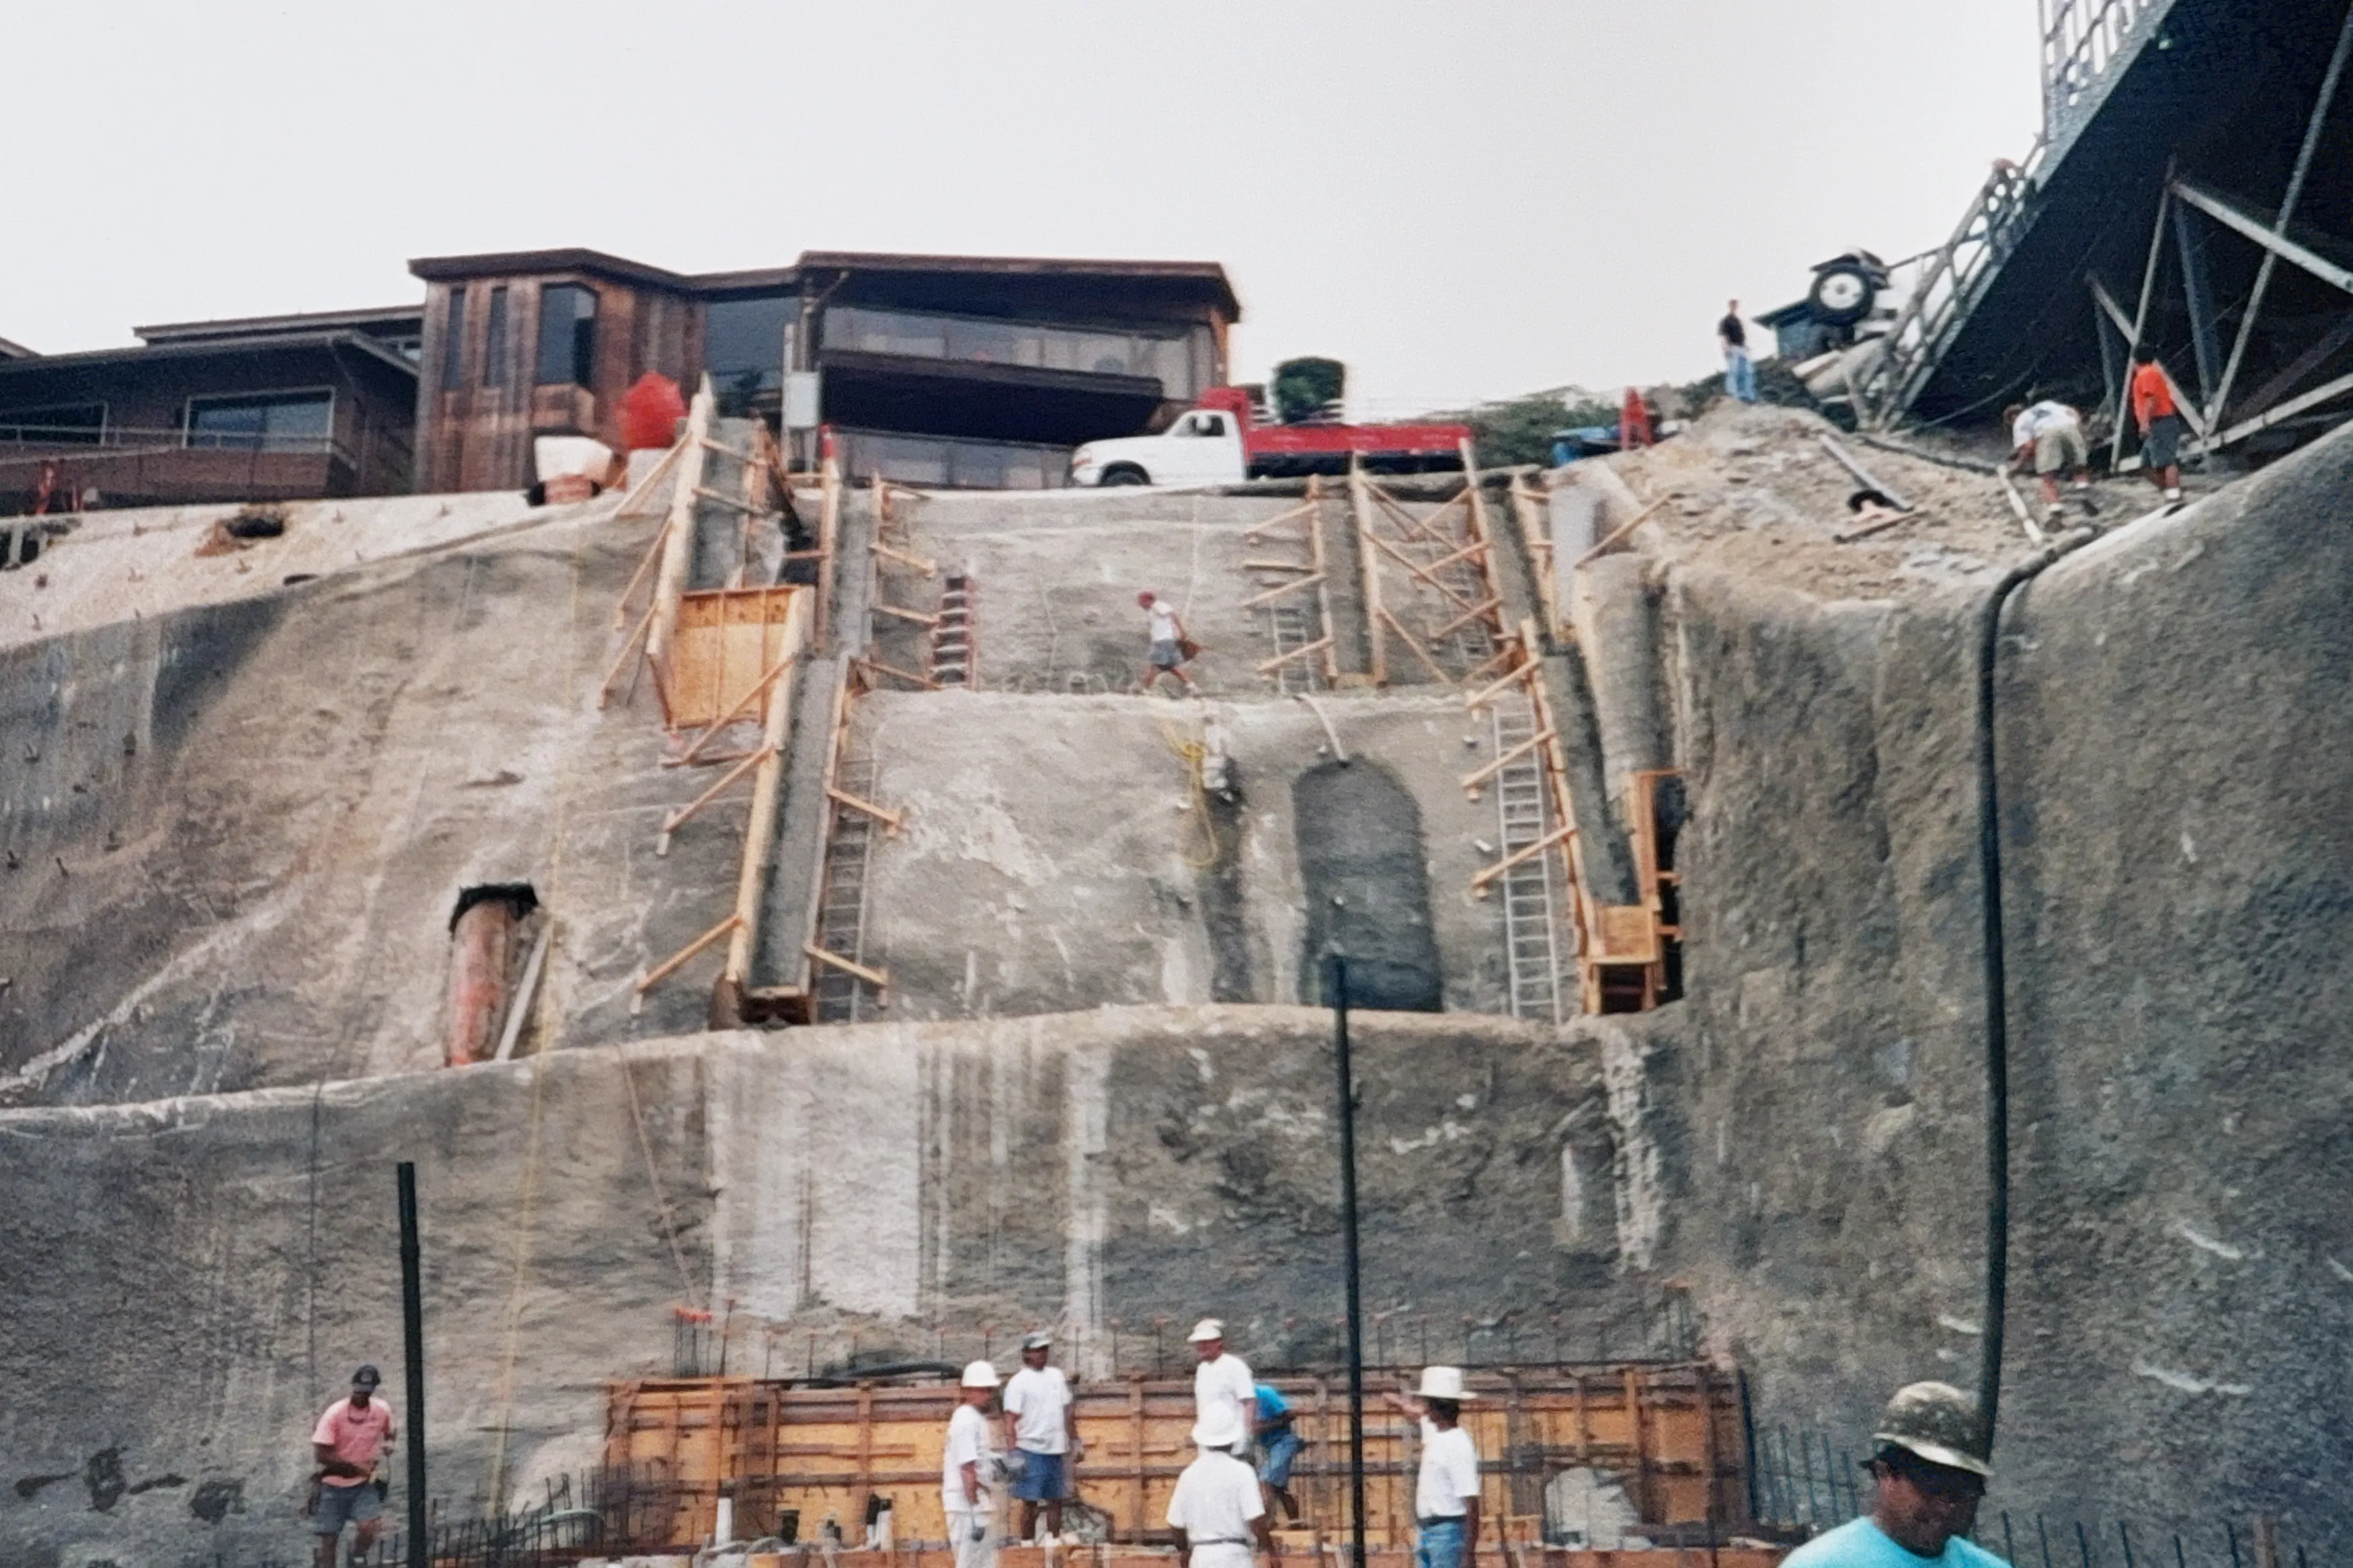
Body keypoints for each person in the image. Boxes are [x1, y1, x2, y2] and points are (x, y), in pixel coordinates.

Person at [1782, 1382, 2007, 1568]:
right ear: (1884, 1473)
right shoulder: (1820, 1564)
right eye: (1931, 1487)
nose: (1945, 1507)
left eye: (1962, 1493)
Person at [1381, 1367, 1481, 1568]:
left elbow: (1471, 1501)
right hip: (1429, 1531)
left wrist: (1468, 1553)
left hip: (1448, 1532)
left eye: (1428, 1403)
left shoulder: (1458, 1445)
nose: (1424, 1408)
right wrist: (1397, 1401)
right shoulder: (1435, 1431)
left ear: (1436, 1407)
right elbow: (1414, 1413)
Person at [309, 1364, 396, 1568]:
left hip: (363, 1484)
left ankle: (357, 1556)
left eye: (366, 1391)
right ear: (352, 1388)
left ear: (372, 1390)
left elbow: (391, 1429)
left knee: (369, 1527)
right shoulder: (335, 1414)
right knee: (329, 1538)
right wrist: (356, 1467)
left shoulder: (381, 1410)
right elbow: (321, 1455)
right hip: (333, 1483)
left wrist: (390, 1442)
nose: (361, 1395)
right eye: (357, 1390)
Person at [1003, 1331, 1080, 1542]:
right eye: (1037, 1350)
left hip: (1056, 1449)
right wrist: (1013, 1453)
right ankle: (1027, 1545)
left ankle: (1053, 1542)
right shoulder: (1018, 1382)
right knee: (1030, 1501)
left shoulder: (1056, 1376)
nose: (1042, 1354)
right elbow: (1010, 1419)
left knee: (1057, 1499)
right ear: (1026, 1354)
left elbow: (1067, 1411)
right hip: (1030, 1450)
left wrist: (1075, 1440)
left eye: (1045, 1350)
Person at [1167, 1417, 1273, 1568]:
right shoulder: (1242, 1472)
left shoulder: (1189, 1475)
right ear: (1232, 1442)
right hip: (1235, 1556)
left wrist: (1184, 1551)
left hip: (1201, 1556)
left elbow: (1176, 1524)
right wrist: (1271, 1551)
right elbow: (1256, 1519)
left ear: (1203, 1442)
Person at [945, 1360, 1002, 1568]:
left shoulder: (974, 1418)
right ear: (969, 1391)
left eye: (990, 1390)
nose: (989, 1396)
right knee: (972, 1564)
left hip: (973, 1507)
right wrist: (973, 1512)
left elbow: (978, 1462)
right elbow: (968, 1469)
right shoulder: (966, 1421)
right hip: (967, 1509)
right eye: (984, 1390)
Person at [2002, 401, 2098, 523]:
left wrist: (2018, 465)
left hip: (2047, 435)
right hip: (2070, 427)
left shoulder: (2020, 421)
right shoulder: (2048, 404)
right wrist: (2079, 430)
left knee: (2048, 479)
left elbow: (2029, 446)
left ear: (2012, 418)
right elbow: (2073, 412)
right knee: (2078, 468)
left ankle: (2055, 510)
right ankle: (2085, 493)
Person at [1189, 1319, 1257, 1458]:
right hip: (1208, 1443)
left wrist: (1247, 1436)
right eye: (1199, 1343)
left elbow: (1249, 1401)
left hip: (1235, 1445)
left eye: (1206, 1342)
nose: (1201, 1346)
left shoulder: (1235, 1366)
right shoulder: (1202, 1369)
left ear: (1218, 1342)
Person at [2129, 347, 2187, 502]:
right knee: (2146, 465)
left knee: (2166, 462)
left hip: (2160, 422)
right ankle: (2171, 491)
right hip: (2157, 423)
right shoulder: (2150, 373)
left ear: (2134, 360)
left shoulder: (2146, 374)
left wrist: (2145, 423)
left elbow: (2151, 399)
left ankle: (2174, 497)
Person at [1252, 1380, 1302, 1522]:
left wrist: (1264, 1427)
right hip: (1264, 1446)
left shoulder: (1265, 1393)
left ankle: (1267, 1521)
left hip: (1283, 1442)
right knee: (1278, 1485)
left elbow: (1291, 1414)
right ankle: (1294, 1519)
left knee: (1266, 1480)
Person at [1138, 591, 1199, 696]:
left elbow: (1172, 615)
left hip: (1162, 642)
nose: (1140, 604)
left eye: (1142, 602)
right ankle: (1191, 686)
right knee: (1172, 666)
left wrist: (1182, 631)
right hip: (1167, 641)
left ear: (1149, 600)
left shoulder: (1157, 606)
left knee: (1155, 666)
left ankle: (1146, 690)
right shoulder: (1153, 610)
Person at [1719, 301, 1757, 404]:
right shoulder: (1726, 320)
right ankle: (1734, 393)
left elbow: (1742, 335)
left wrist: (1746, 346)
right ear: (1729, 306)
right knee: (1734, 371)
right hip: (1732, 347)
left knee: (1746, 371)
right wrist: (1726, 349)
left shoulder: (1738, 321)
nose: (1734, 307)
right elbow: (1722, 336)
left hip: (1741, 348)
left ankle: (1748, 394)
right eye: (1733, 305)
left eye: (1736, 305)